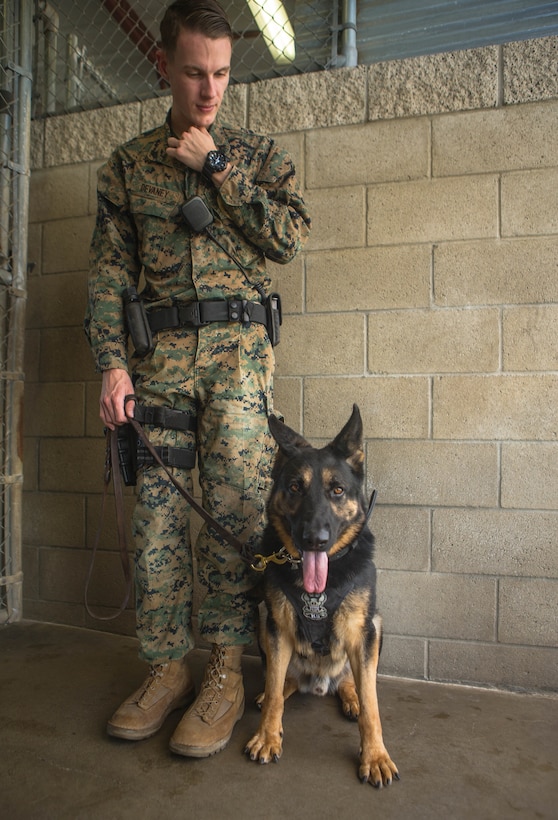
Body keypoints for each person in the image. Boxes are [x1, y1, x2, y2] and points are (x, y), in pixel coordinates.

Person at [84, 0, 311, 758]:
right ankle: (165, 668)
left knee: (233, 520)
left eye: (220, 73)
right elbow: (111, 273)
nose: (210, 89)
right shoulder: (125, 165)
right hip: (159, 369)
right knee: (156, 518)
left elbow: (287, 238)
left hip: (239, 371)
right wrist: (112, 362)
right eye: (194, 73)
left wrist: (216, 167)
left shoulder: (253, 154)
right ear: (164, 66)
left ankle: (223, 673)